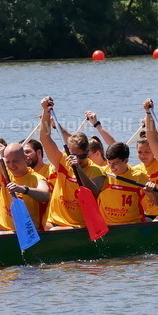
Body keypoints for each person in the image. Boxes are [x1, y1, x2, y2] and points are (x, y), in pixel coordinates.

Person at [0, 111, 51, 230]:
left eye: (15, 161)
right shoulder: (5, 172)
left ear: (25, 159)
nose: (11, 166)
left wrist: (23, 189)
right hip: (4, 231)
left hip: (28, 232)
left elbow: (45, 195)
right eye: (8, 161)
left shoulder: (36, 178)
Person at [39, 96, 106, 229]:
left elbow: (94, 193)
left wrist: (78, 169)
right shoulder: (62, 160)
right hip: (54, 220)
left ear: (87, 152)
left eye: (81, 156)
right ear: (68, 150)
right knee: (46, 227)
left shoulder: (96, 171)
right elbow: (44, 138)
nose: (77, 158)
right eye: (73, 154)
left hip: (78, 225)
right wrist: (46, 112)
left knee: (54, 231)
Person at [99, 142, 158, 225]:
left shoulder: (139, 177)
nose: (111, 167)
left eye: (115, 163)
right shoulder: (101, 173)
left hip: (132, 225)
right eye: (109, 162)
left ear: (126, 160)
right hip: (107, 226)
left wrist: (153, 193)